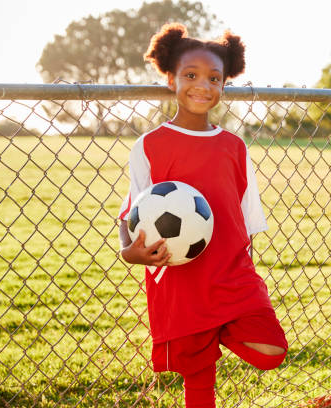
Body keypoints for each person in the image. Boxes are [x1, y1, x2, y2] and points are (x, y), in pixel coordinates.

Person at [117, 22, 288, 408]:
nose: (203, 86)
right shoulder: (149, 146)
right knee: (198, 382)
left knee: (271, 350)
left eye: (215, 78)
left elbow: (246, 222)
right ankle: (203, 335)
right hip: (181, 281)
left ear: (225, 83)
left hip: (231, 277)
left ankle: (219, 329)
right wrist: (130, 252)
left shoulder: (234, 147)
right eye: (191, 75)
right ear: (171, 80)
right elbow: (131, 214)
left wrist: (243, 281)